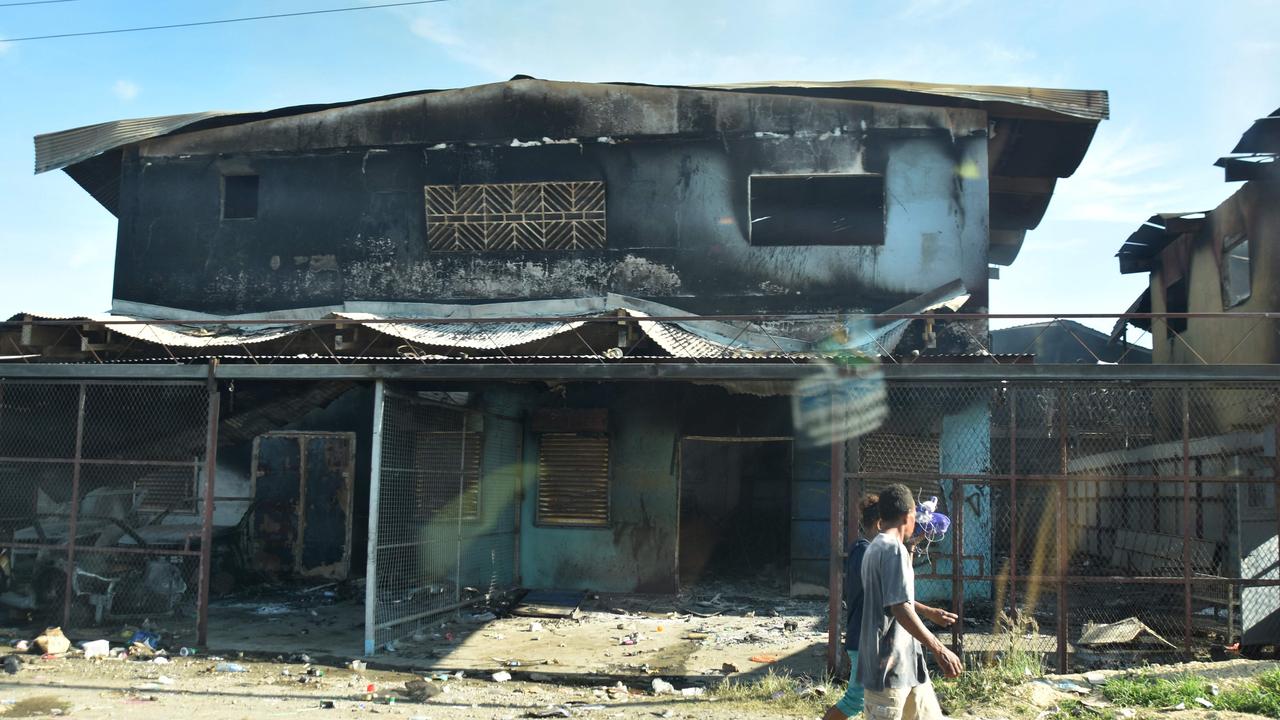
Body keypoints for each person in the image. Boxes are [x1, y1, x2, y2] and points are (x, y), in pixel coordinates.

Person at [857, 484, 962, 720]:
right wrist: (940, 648)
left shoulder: (876, 547)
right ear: (909, 516)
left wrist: (928, 611)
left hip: (909, 669)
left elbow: (896, 598)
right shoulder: (892, 550)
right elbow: (899, 607)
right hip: (888, 672)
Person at [824, 494, 881, 720]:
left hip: (869, 639)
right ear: (879, 524)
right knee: (855, 699)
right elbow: (885, 592)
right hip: (863, 639)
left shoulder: (867, 550)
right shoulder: (863, 551)